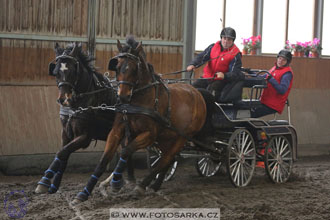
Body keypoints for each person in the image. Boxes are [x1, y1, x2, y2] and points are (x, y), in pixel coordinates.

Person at [187, 27, 244, 103]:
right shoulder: (212, 47)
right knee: (191, 90)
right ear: (221, 38)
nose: (226, 41)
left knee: (210, 93)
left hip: (221, 81)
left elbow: (235, 73)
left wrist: (224, 76)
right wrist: (193, 64)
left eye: (229, 39)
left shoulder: (235, 54)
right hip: (207, 77)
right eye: (224, 38)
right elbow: (202, 56)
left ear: (233, 41)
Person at [251, 49, 293, 118]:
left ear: (287, 62)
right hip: (265, 101)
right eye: (279, 58)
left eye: (284, 60)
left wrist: (272, 80)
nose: (280, 61)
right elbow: (262, 77)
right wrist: (250, 73)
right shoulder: (275, 68)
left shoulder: (287, 74)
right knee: (248, 110)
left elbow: (282, 90)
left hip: (273, 104)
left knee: (251, 113)